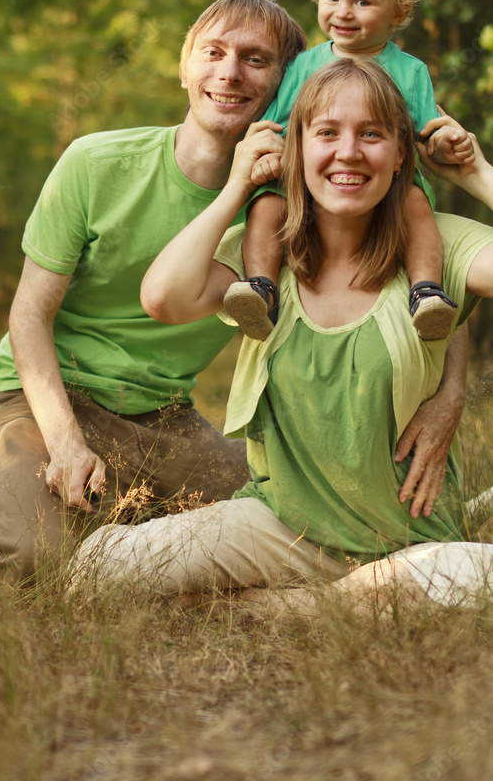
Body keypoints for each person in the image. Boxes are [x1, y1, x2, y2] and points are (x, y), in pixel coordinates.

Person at [70, 60, 493, 610]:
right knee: (99, 568)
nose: (348, 152)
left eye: (371, 134)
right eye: (326, 133)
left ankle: (291, 609)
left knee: (476, 574)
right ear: (296, 151)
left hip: (414, 542)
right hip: (279, 528)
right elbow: (163, 297)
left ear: (398, 158)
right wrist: (235, 188)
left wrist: (477, 175)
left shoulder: (438, 249)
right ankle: (350, 603)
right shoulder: (265, 259)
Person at [0, 0, 307, 580]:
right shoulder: (95, 163)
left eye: (255, 60)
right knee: (30, 565)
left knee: (294, 521)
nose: (229, 72)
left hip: (164, 417)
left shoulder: (278, 211)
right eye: (214, 52)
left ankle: (121, 518)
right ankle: (35, 497)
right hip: (48, 402)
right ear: (185, 67)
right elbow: (28, 316)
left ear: (284, 83)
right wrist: (66, 443)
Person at [223, 0, 474, 343]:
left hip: (387, 184)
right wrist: (271, 155)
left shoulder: (411, 72)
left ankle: (426, 291)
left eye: (361, 2)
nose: (343, 12)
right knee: (267, 202)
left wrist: (448, 144)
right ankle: (260, 288)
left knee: (416, 202)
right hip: (306, 184)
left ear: (398, 12)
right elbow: (277, 126)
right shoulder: (304, 66)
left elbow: (428, 136)